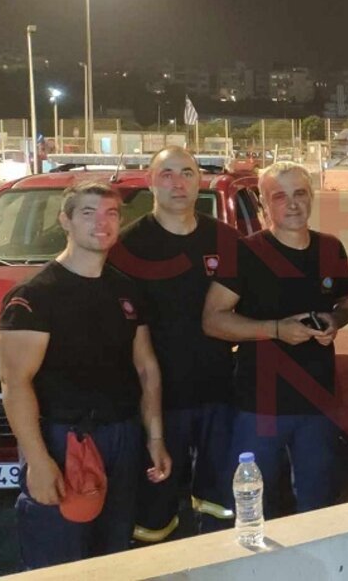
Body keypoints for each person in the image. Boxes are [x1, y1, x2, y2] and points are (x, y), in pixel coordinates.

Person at [0, 182, 172, 569]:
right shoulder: (35, 296)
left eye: (111, 214)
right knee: (59, 562)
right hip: (63, 439)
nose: (101, 223)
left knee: (113, 555)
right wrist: (39, 461)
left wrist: (155, 438)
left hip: (122, 436)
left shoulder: (126, 291)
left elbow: (146, 368)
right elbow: (14, 384)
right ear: (66, 221)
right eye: (88, 213)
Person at [202, 161, 348, 516]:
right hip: (261, 405)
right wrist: (275, 330)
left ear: (312, 197)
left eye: (299, 193)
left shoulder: (330, 248)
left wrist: (334, 320)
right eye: (279, 196)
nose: (292, 203)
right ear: (264, 203)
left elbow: (347, 302)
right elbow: (213, 320)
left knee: (318, 505)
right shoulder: (245, 252)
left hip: (317, 401)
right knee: (254, 504)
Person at [109, 146, 241, 541]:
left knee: (221, 503)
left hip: (220, 394)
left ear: (199, 180)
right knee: (154, 509)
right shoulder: (126, 247)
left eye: (186, 172)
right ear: (150, 181)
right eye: (166, 173)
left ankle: (219, 559)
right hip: (156, 402)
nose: (177, 183)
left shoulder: (227, 240)